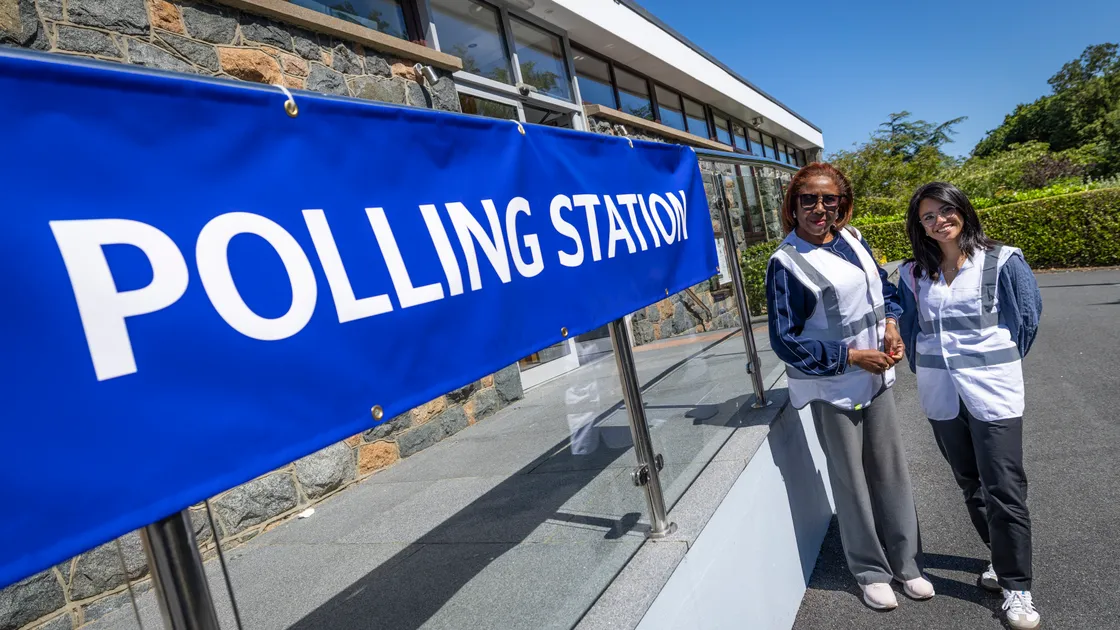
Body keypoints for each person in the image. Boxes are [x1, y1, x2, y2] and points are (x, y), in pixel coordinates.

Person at [766, 163, 933, 610]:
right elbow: (785, 340)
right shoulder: (786, 263)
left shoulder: (854, 238)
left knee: (890, 472)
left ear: (842, 202)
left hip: (875, 379)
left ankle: (908, 564)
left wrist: (893, 325)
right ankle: (870, 571)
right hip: (832, 388)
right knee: (851, 480)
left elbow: (884, 289)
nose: (819, 209)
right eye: (808, 200)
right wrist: (852, 357)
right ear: (793, 205)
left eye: (829, 199)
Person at [898, 182, 1042, 629]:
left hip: (992, 390)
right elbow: (908, 326)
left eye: (946, 210)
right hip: (941, 393)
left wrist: (994, 364)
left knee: (1004, 486)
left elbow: (1028, 319)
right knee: (969, 482)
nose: (939, 220)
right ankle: (998, 558)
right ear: (919, 226)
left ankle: (1018, 589)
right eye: (927, 216)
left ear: (962, 210)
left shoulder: (1003, 260)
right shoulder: (913, 273)